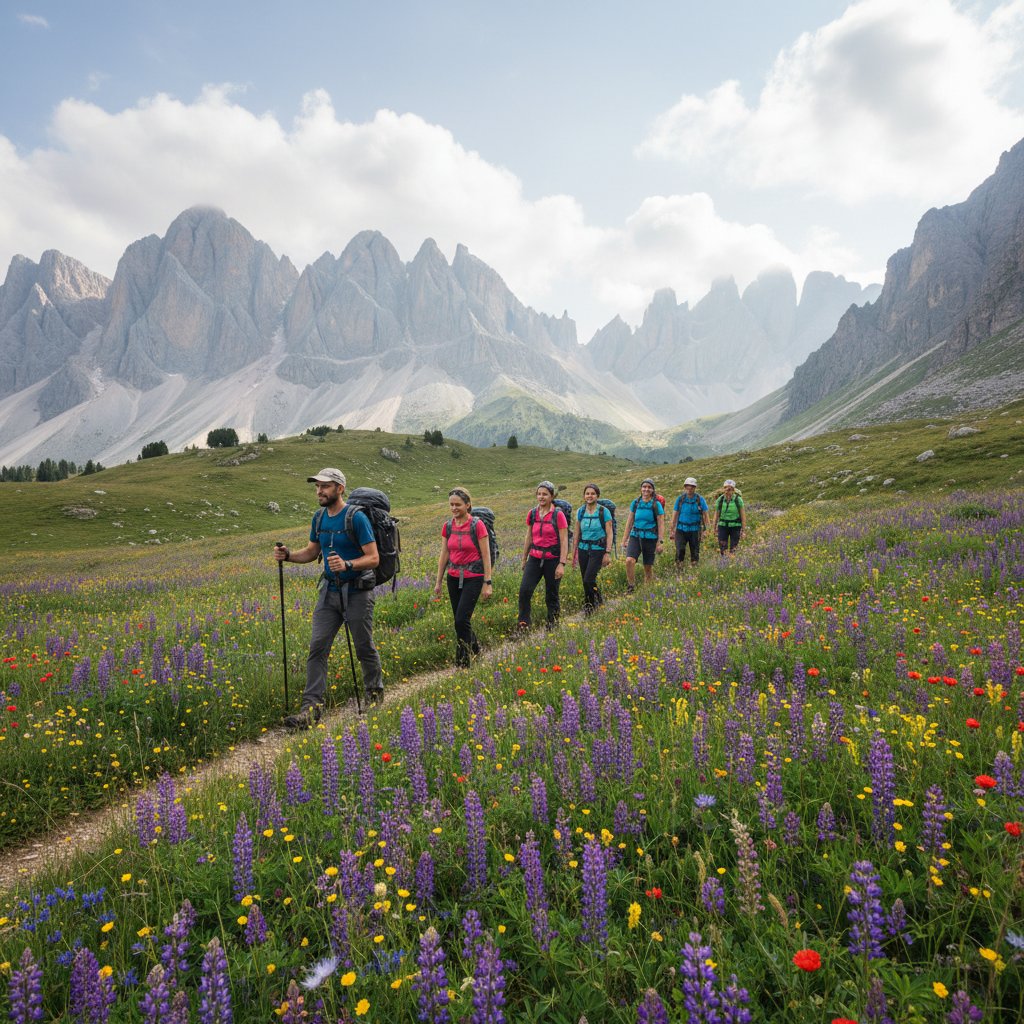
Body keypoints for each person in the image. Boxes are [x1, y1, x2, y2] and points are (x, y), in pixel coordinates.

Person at [273, 468, 384, 728]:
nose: (319, 491)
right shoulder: (319, 517)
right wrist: (288, 556)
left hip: (357, 592)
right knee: (318, 647)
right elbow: (312, 552)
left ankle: (374, 694)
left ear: (340, 488)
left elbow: (374, 558)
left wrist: (347, 564)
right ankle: (311, 709)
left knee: (363, 647)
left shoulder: (356, 518)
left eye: (325, 486)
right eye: (317, 486)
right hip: (329, 592)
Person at [433, 487, 493, 667]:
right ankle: (475, 649)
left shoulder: (477, 525)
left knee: (461, 620)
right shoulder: (448, 526)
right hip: (453, 577)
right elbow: (444, 554)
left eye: (457, 504)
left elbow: (486, 555)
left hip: (473, 577)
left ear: (467, 505)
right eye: (451, 504)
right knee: (460, 621)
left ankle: (463, 662)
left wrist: (487, 582)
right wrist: (438, 581)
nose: (454, 508)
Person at [518, 480, 568, 629]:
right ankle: (523, 624)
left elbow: (564, 540)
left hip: (553, 559)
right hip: (534, 558)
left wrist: (562, 564)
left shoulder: (558, 515)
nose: (541, 497)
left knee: (551, 594)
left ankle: (553, 625)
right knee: (524, 591)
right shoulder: (532, 513)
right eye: (539, 494)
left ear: (551, 496)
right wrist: (524, 558)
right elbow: (529, 537)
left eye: (545, 494)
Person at [572, 483, 613, 614]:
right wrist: (573, 553)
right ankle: (598, 600)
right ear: (584, 496)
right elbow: (576, 533)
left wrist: (607, 552)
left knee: (588, 579)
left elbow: (609, 533)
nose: (590, 496)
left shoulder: (603, 511)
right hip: (583, 549)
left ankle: (589, 607)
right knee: (586, 579)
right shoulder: (580, 511)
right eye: (587, 493)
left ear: (597, 496)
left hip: (598, 549)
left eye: (593, 494)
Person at [622, 478, 664, 591]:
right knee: (629, 560)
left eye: (649, 487)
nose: (646, 489)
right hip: (635, 536)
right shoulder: (635, 503)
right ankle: (631, 586)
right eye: (644, 487)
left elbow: (661, 523)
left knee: (647, 567)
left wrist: (660, 542)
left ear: (653, 490)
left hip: (650, 538)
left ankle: (647, 590)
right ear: (641, 489)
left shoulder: (656, 505)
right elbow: (629, 521)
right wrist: (624, 539)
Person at [670, 476, 709, 567]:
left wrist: (706, 530)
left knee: (695, 551)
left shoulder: (700, 499)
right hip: (681, 529)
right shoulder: (680, 499)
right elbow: (675, 515)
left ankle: (694, 568)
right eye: (688, 485)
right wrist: (672, 529)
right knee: (680, 550)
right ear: (685, 486)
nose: (690, 488)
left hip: (695, 530)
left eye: (692, 486)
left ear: (695, 487)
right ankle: (679, 568)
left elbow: (706, 515)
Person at [711, 478, 746, 556]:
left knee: (734, 548)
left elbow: (743, 516)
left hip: (735, 526)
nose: (727, 490)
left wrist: (743, 531)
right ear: (723, 489)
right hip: (722, 526)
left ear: (733, 490)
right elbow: (716, 515)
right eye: (726, 488)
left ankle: (732, 561)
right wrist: (714, 528)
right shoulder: (720, 500)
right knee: (723, 548)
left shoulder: (738, 500)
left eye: (730, 489)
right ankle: (724, 561)